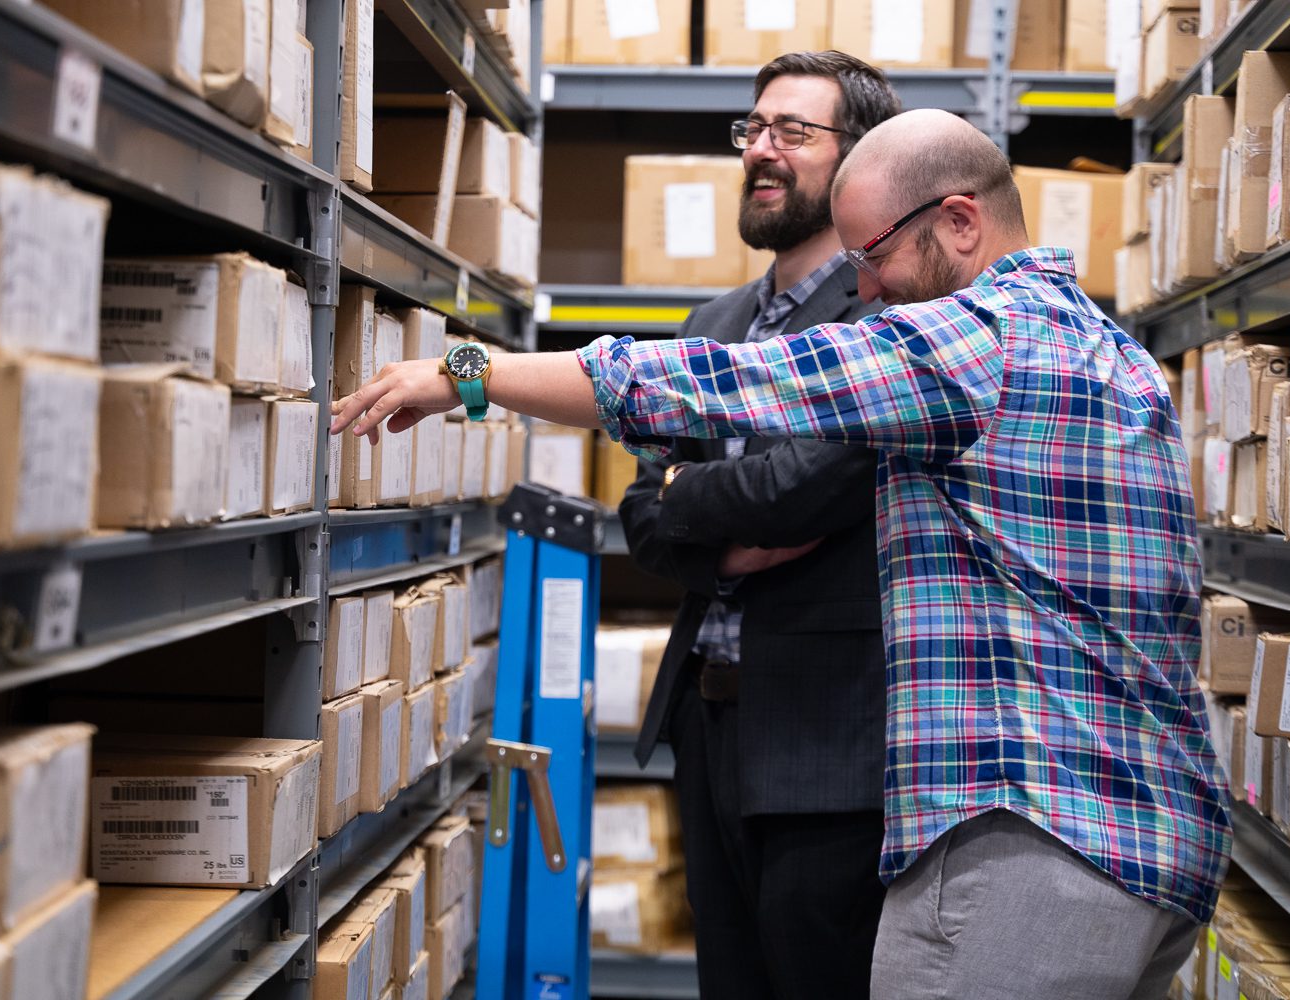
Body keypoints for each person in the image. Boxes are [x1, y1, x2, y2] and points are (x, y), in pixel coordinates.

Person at [333, 109, 1232, 999]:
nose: (868, 288)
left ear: (960, 221)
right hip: (1151, 840)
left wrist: (468, 375)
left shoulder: (979, 341)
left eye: (873, 256)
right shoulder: (1110, 350)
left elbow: (719, 385)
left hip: (1030, 841)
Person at [618, 50, 897, 1000]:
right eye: (752, 130)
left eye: (792, 132)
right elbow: (639, 515)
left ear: (858, 160)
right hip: (711, 721)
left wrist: (689, 496)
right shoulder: (713, 323)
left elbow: (806, 491)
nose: (761, 152)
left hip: (830, 739)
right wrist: (717, 529)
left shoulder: (887, 324)